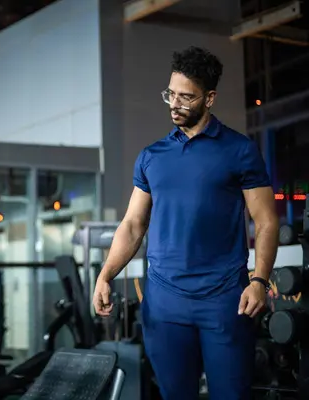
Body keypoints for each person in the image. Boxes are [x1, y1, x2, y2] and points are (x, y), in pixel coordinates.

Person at [93, 46, 279, 400]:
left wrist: (259, 280)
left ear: (209, 99)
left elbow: (266, 220)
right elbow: (133, 224)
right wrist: (105, 275)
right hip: (164, 302)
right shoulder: (151, 156)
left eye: (186, 97)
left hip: (225, 300)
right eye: (171, 94)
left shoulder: (239, 150)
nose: (175, 104)